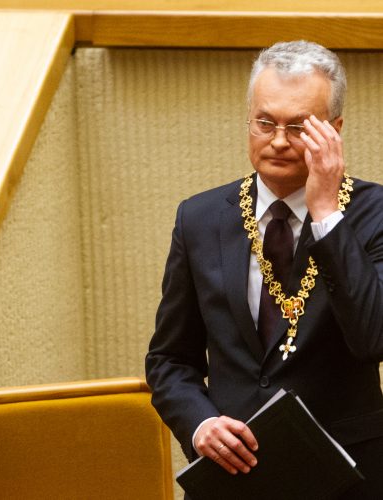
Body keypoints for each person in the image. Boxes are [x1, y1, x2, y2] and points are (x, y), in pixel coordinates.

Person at [145, 40, 383, 498]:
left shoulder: (373, 214)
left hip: (346, 478)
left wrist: (326, 212)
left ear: (334, 130)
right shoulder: (199, 218)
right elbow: (170, 359)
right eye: (265, 122)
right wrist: (200, 425)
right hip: (232, 476)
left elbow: (373, 337)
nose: (277, 140)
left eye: (298, 127)